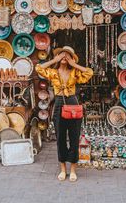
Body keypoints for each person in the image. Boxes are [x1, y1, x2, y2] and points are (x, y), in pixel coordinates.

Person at [35, 46, 93, 182]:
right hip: (59, 103)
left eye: (68, 55)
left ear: (72, 58)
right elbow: (39, 68)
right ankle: (63, 169)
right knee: (60, 138)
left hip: (73, 102)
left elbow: (89, 72)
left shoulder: (75, 73)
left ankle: (73, 169)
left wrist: (74, 64)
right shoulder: (53, 72)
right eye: (62, 54)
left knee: (74, 136)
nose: (64, 57)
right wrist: (54, 60)